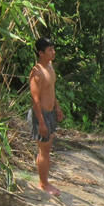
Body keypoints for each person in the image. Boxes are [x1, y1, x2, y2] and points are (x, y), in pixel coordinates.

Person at [27, 37, 64, 196]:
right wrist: (41, 123)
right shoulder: (37, 72)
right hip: (40, 115)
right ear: (41, 53)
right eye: (50, 50)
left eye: (53, 49)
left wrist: (57, 107)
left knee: (47, 149)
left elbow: (51, 90)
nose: (53, 52)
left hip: (50, 113)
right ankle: (43, 184)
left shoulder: (49, 66)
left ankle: (45, 181)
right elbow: (35, 100)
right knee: (44, 150)